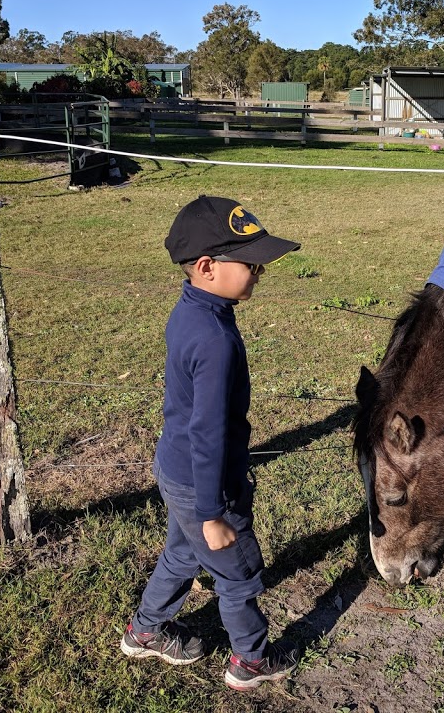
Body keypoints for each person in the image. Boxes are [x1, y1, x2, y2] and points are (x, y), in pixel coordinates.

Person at [121, 195, 301, 691]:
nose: (260, 271)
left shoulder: (193, 313)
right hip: (205, 485)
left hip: (175, 469)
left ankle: (145, 630)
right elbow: (208, 432)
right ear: (206, 266)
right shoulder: (215, 340)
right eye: (251, 263)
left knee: (181, 555)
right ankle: (250, 661)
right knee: (237, 574)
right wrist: (212, 513)